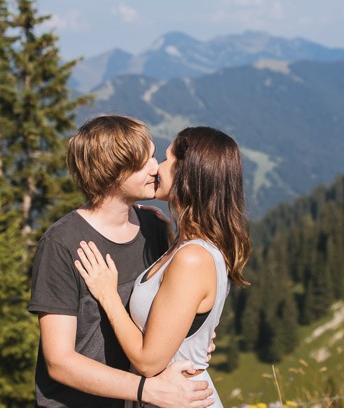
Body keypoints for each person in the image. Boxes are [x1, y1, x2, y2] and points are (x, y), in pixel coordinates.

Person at [29, 115, 215, 408]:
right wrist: (147, 390)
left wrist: (193, 338)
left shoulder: (154, 227)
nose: (156, 168)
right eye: (144, 162)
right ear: (112, 174)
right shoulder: (62, 244)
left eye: (154, 155)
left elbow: (162, 314)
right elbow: (59, 361)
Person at [75, 126, 251, 408]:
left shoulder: (192, 259)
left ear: (187, 175)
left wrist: (107, 295)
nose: (158, 167)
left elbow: (147, 361)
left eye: (168, 160)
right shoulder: (186, 246)